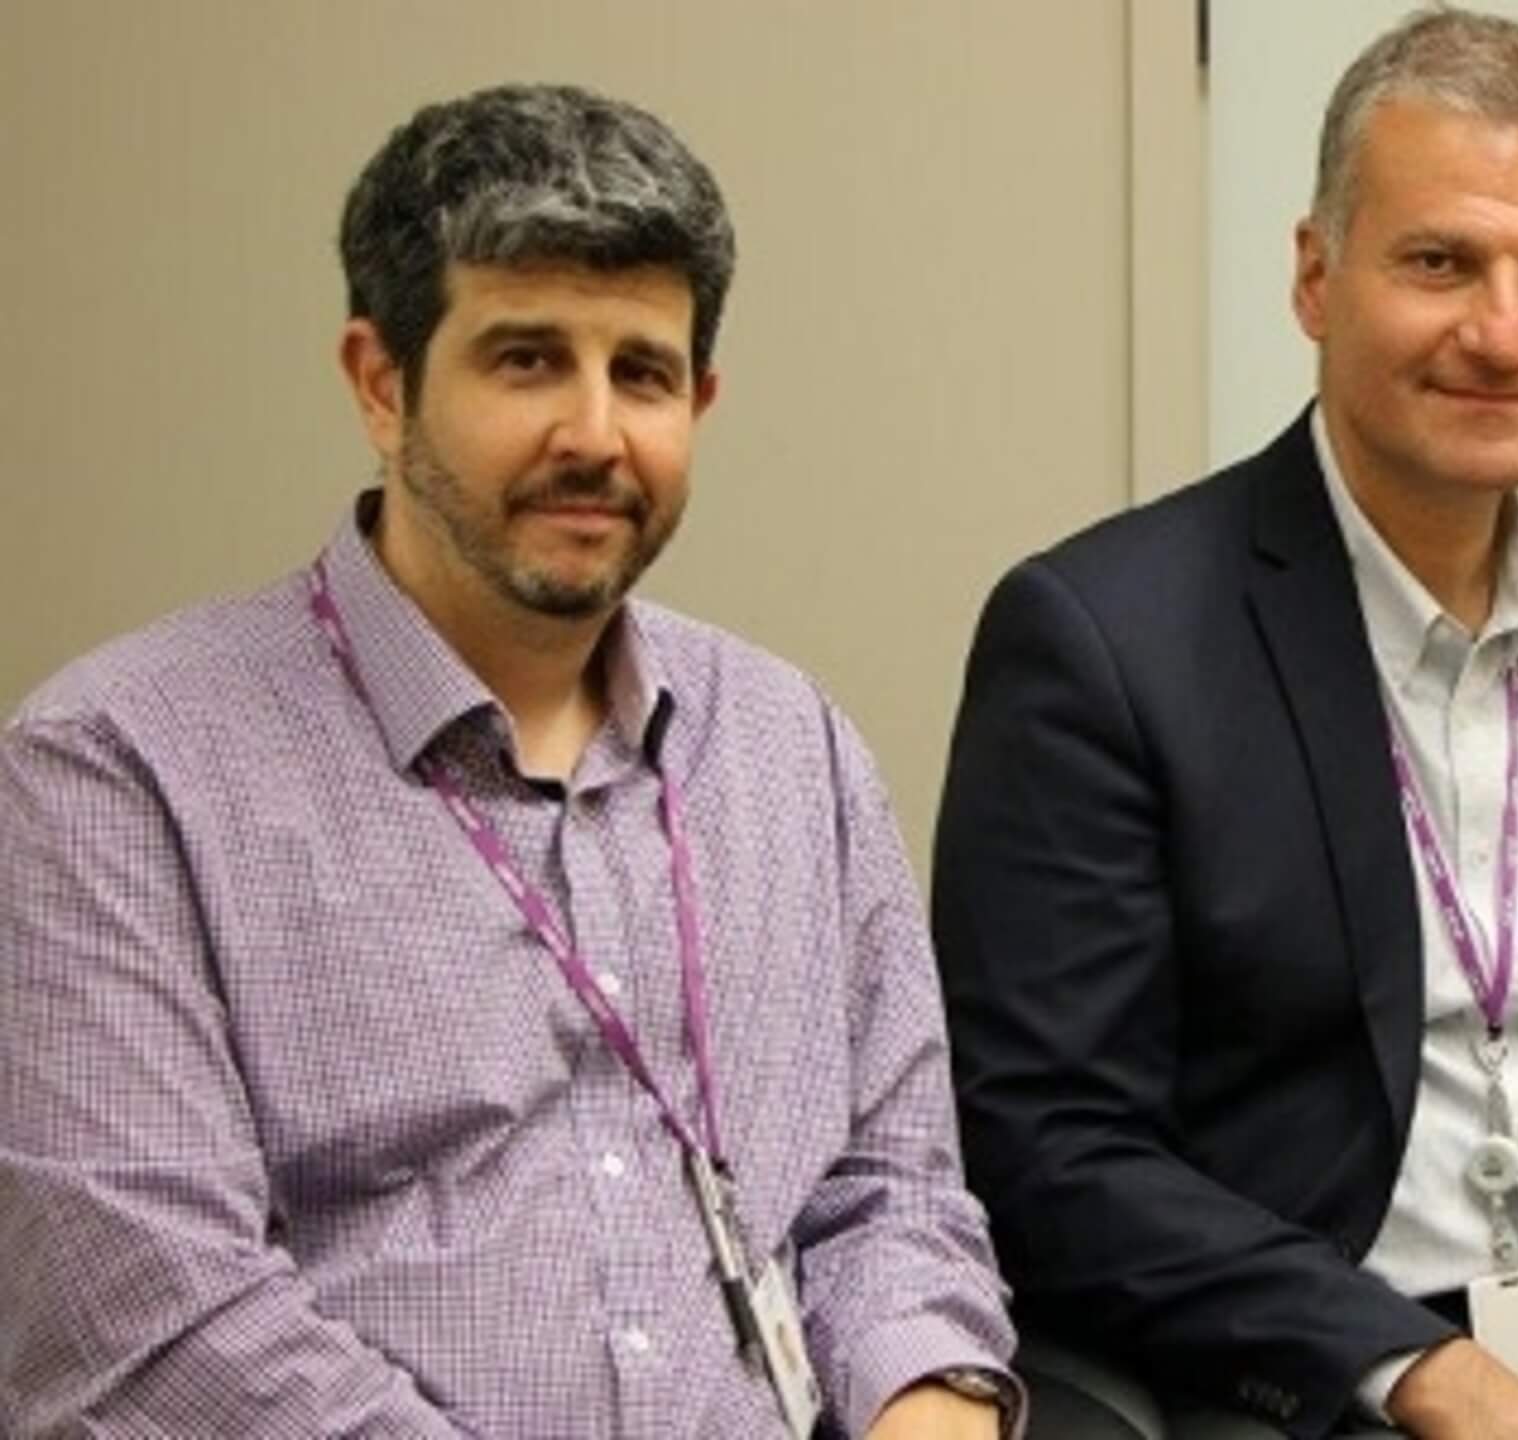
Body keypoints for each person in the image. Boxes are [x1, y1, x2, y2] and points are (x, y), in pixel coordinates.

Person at [0, 84, 1018, 1438]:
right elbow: (149, 1330)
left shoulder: (793, 751)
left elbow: (890, 1198)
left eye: (642, 373)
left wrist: (924, 1408)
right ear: (381, 382)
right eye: (526, 359)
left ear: (700, 399)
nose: (595, 435)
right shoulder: (117, 774)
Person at [932, 11, 1518, 1438]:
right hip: (1310, 1348)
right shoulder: (1102, 645)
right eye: (1439, 263)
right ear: (1316, 277)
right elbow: (1049, 1141)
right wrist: (1430, 1379)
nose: (1503, 333)